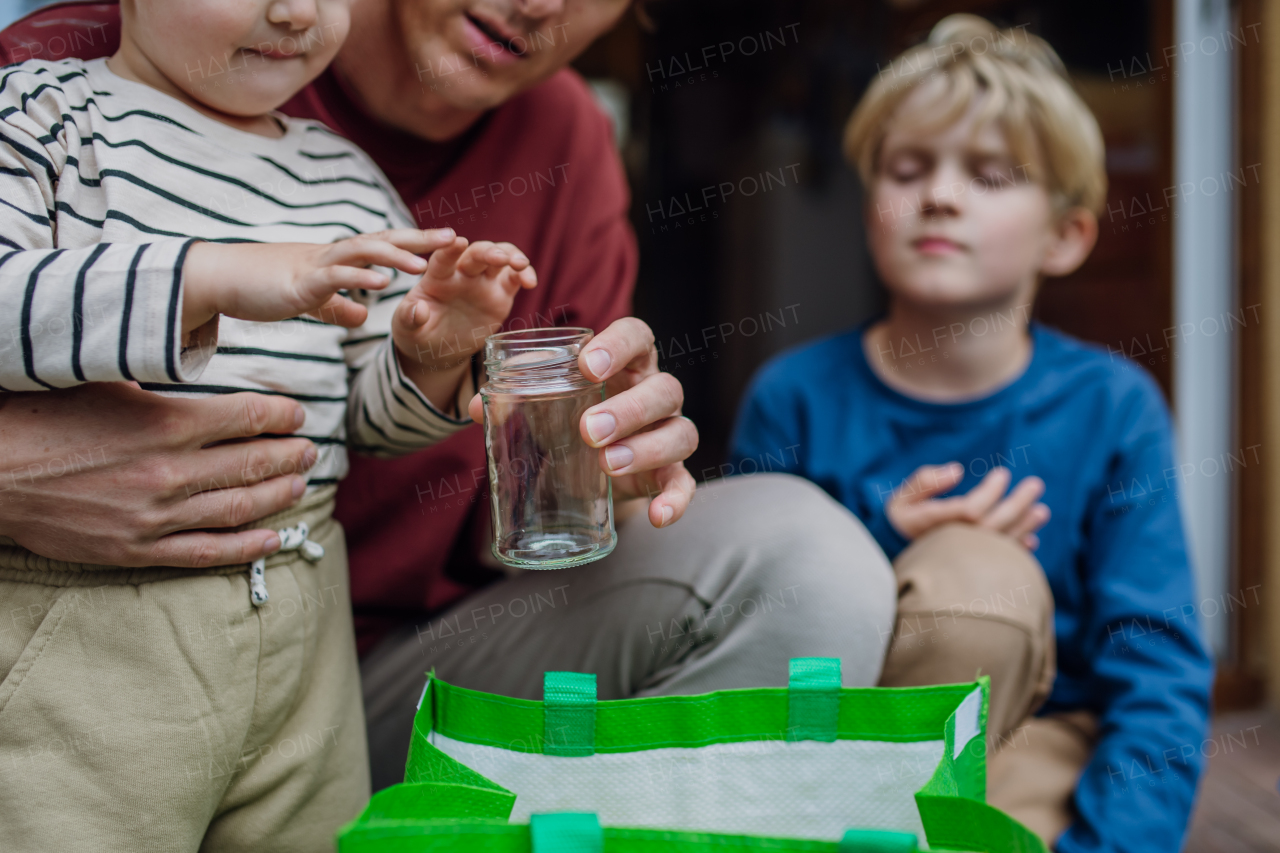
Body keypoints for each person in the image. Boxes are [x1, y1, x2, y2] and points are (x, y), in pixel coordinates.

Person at [0, 0, 898, 796]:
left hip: (335, 686)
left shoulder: (470, 161)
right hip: (99, 649)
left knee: (812, 560)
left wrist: (588, 460)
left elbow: (412, 434)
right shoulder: (67, 78)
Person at [0, 0, 547, 849]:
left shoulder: (347, 180)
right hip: (93, 629)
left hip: (304, 612)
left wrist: (428, 353)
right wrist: (206, 278)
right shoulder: (44, 116)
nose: (295, 12)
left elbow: (363, 419)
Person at [729, 15, 1213, 853]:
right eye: (908, 169)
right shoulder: (792, 395)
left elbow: (1157, 674)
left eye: (991, 175)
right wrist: (876, 546)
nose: (940, 196)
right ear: (871, 202)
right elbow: (743, 634)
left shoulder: (1115, 407)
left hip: (1037, 743)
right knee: (971, 582)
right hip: (832, 745)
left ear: (1065, 235)